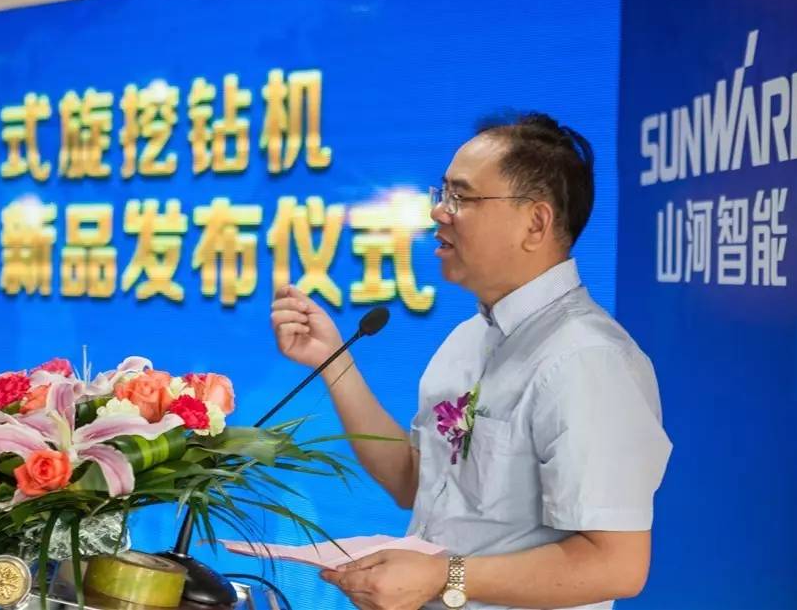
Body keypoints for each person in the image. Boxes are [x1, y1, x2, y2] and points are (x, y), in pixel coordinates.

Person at [270, 113, 672, 610]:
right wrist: (334, 362)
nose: (438, 212)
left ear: (535, 223)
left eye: (461, 198)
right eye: (441, 193)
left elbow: (615, 564)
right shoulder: (469, 339)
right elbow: (413, 481)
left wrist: (445, 576)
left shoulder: (588, 360)